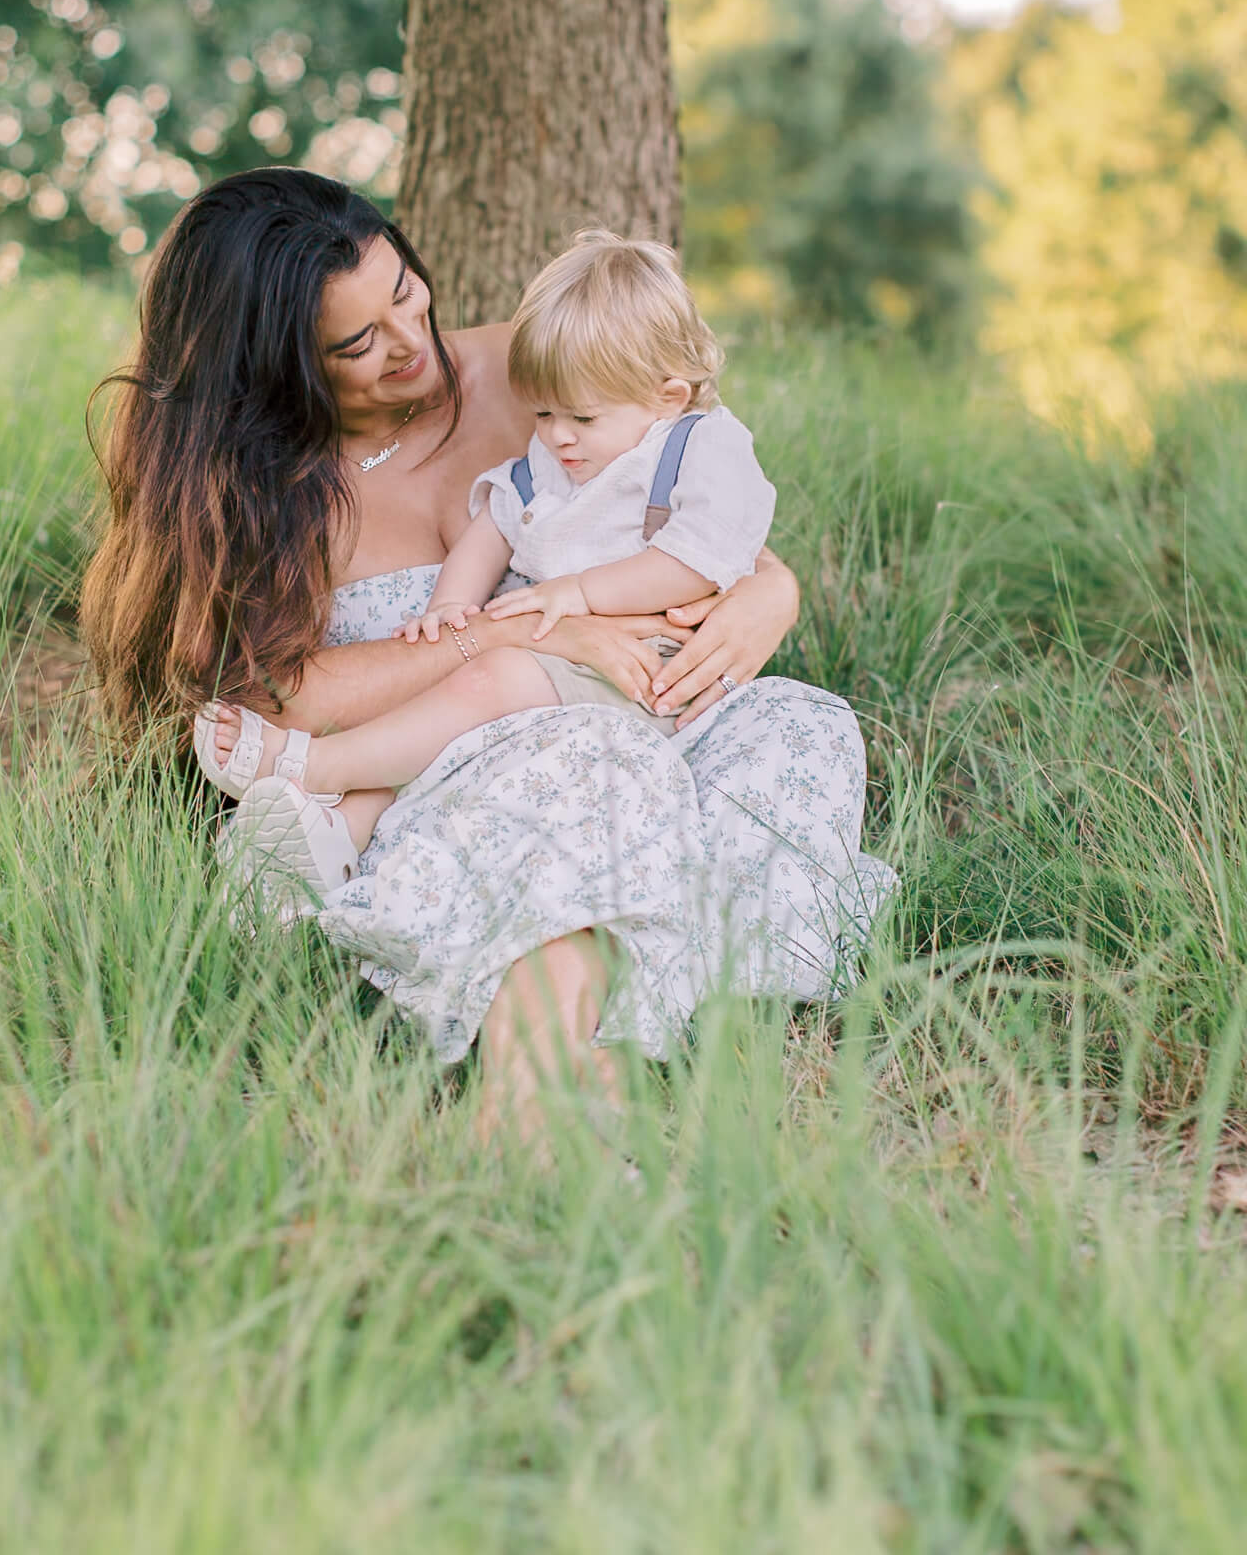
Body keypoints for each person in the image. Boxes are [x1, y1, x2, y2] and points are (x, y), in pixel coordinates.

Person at [82, 169, 893, 1147]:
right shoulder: (258, 486)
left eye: (403, 292)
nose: (407, 341)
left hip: (625, 704)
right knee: (590, 765)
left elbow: (686, 518)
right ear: (273, 367)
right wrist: (520, 630)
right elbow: (281, 695)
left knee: (795, 726)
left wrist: (773, 590)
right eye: (356, 343)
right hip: (431, 758)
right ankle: (543, 1104)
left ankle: (656, 983)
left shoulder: (535, 371)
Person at [193, 232, 780, 872]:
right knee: (435, 726)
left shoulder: (699, 447)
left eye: (579, 419)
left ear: (666, 395)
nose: (556, 436)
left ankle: (310, 766)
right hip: (565, 663)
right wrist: (451, 607)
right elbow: (498, 522)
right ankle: (330, 837)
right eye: (543, 415)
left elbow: (698, 558)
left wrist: (578, 597)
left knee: (488, 683)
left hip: (648, 668)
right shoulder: (567, 448)